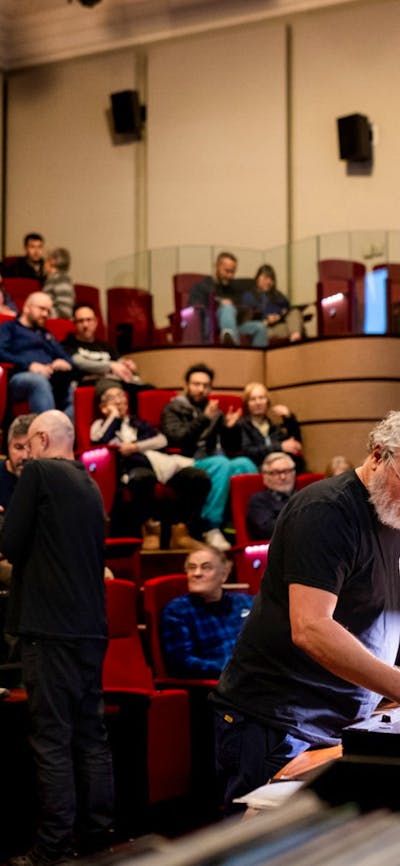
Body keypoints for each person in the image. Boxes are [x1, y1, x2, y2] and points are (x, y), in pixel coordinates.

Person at [212, 410, 400, 815]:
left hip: (337, 719)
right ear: (379, 454)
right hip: (278, 721)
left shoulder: (393, 516)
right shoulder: (326, 510)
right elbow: (311, 628)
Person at [0, 410, 114, 865]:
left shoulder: (40, 472)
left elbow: (10, 544)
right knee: (91, 737)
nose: (24, 454)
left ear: (41, 439)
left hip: (50, 627)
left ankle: (52, 848)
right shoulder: (89, 484)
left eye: (26, 445)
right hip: (90, 627)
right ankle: (98, 837)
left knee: (51, 738)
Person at [90, 382, 211, 551]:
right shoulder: (99, 425)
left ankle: (180, 530)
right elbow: (99, 442)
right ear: (103, 407)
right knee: (143, 478)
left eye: (121, 397)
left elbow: (162, 440)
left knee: (198, 477)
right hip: (129, 469)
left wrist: (135, 447)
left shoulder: (137, 422)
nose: (119, 401)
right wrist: (113, 417)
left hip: (159, 465)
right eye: (112, 398)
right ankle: (150, 530)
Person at [161, 362, 257, 550]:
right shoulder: (173, 409)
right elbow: (177, 439)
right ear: (186, 386)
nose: (201, 389)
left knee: (245, 464)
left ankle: (243, 525)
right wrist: (203, 418)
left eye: (205, 386)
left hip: (215, 459)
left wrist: (230, 428)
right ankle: (211, 527)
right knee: (221, 464)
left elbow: (229, 446)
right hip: (186, 462)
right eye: (196, 384)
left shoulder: (216, 411)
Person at [161, 545, 254, 678]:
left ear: (224, 574)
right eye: (192, 568)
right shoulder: (177, 611)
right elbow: (182, 663)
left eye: (206, 567)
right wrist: (233, 670)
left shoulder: (246, 603)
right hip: (216, 685)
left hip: (254, 677)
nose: (197, 573)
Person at [0, 291, 74, 419]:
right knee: (38, 381)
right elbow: (1, 352)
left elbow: (67, 358)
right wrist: (29, 365)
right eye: (42, 309)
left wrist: (64, 362)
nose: (45, 314)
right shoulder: (9, 328)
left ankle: (63, 432)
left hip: (51, 376)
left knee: (73, 389)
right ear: (27, 307)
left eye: (48, 311)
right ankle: (48, 432)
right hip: (19, 377)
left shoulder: (46, 335)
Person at [62, 304, 152, 408]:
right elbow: (79, 362)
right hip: (93, 382)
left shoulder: (106, 346)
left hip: (117, 381)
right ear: (74, 323)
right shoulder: (68, 344)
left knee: (149, 390)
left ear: (96, 322)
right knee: (113, 389)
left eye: (89, 320)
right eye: (81, 321)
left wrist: (128, 365)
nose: (85, 325)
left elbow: (120, 361)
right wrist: (111, 366)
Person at [189, 252, 267, 347]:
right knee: (227, 307)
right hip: (211, 326)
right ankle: (232, 348)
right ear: (216, 266)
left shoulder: (233, 287)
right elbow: (194, 307)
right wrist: (220, 302)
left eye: (233, 272)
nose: (230, 276)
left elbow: (250, 283)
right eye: (227, 271)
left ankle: (258, 358)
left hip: (234, 323)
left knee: (260, 327)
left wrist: (243, 313)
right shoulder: (203, 286)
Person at [238, 381, 305, 473]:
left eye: (261, 398)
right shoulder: (242, 425)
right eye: (253, 399)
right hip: (257, 466)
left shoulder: (273, 425)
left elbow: (294, 444)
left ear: (267, 402)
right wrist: (279, 447)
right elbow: (248, 451)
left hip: (278, 465)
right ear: (247, 404)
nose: (258, 402)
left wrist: (289, 419)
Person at [240, 264, 305, 343]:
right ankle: (295, 336)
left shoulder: (278, 295)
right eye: (265, 278)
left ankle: (295, 336)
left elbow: (287, 310)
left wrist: (279, 315)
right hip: (263, 328)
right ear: (257, 278)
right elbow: (246, 319)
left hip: (279, 326)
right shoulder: (248, 296)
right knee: (261, 329)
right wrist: (266, 320)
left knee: (295, 312)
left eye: (271, 279)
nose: (268, 282)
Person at [246, 451, 296, 540]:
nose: (283, 477)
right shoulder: (258, 500)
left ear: (294, 473)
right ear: (265, 476)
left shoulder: (302, 496)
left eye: (287, 471)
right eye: (276, 473)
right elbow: (268, 530)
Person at [43, 247, 75, 319]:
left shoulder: (61, 279)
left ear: (52, 261)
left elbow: (65, 311)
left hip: (57, 323)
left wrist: (41, 314)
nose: (44, 264)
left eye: (46, 261)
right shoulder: (52, 279)